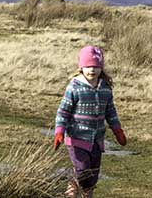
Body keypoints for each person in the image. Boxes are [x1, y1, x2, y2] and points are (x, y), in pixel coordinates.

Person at [53, 45, 127, 198]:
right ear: (81, 67)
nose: (92, 70)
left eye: (95, 66)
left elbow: (110, 111)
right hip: (76, 138)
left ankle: (85, 194)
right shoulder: (74, 87)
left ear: (101, 68)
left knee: (92, 174)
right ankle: (72, 188)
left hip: (97, 140)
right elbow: (63, 111)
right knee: (82, 170)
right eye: (88, 66)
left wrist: (117, 130)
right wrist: (59, 130)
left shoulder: (105, 89)